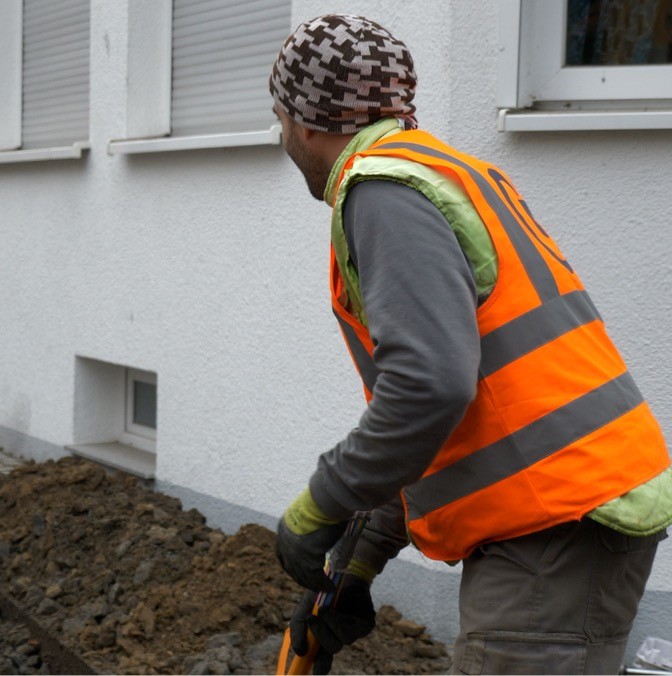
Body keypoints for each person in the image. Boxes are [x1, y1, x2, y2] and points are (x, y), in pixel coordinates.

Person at [266, 14, 672, 675]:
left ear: (307, 120)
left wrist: (321, 503)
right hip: (575, 506)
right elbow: (457, 412)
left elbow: (428, 387)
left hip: (556, 524)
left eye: (279, 118)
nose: (281, 136)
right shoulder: (450, 175)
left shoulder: (381, 191)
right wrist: (358, 561)